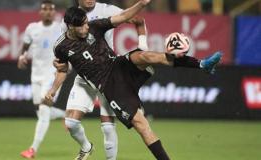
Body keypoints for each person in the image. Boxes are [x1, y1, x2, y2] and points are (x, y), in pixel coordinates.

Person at [45, 0, 222, 159]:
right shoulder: (60, 47)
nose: (86, 28)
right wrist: (53, 90)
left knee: (146, 56)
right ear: (69, 26)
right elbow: (62, 69)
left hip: (118, 65)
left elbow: (123, 16)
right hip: (109, 86)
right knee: (142, 124)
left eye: (86, 23)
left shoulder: (94, 26)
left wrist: (141, 3)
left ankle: (202, 64)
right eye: (81, 26)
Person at [57, 0, 150, 160]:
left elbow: (135, 19)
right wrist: (60, 65)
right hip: (85, 76)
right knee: (71, 123)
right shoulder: (69, 19)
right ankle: (86, 148)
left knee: (107, 127)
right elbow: (68, 54)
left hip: (108, 74)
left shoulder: (108, 10)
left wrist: (142, 45)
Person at [17, 0, 65, 158]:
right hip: (35, 75)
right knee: (41, 111)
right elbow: (25, 46)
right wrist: (22, 57)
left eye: (51, 9)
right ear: (40, 12)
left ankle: (32, 149)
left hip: (52, 75)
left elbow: (69, 47)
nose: (48, 12)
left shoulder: (60, 27)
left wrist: (67, 64)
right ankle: (66, 115)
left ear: (54, 12)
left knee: (44, 110)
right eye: (45, 9)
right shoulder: (32, 28)